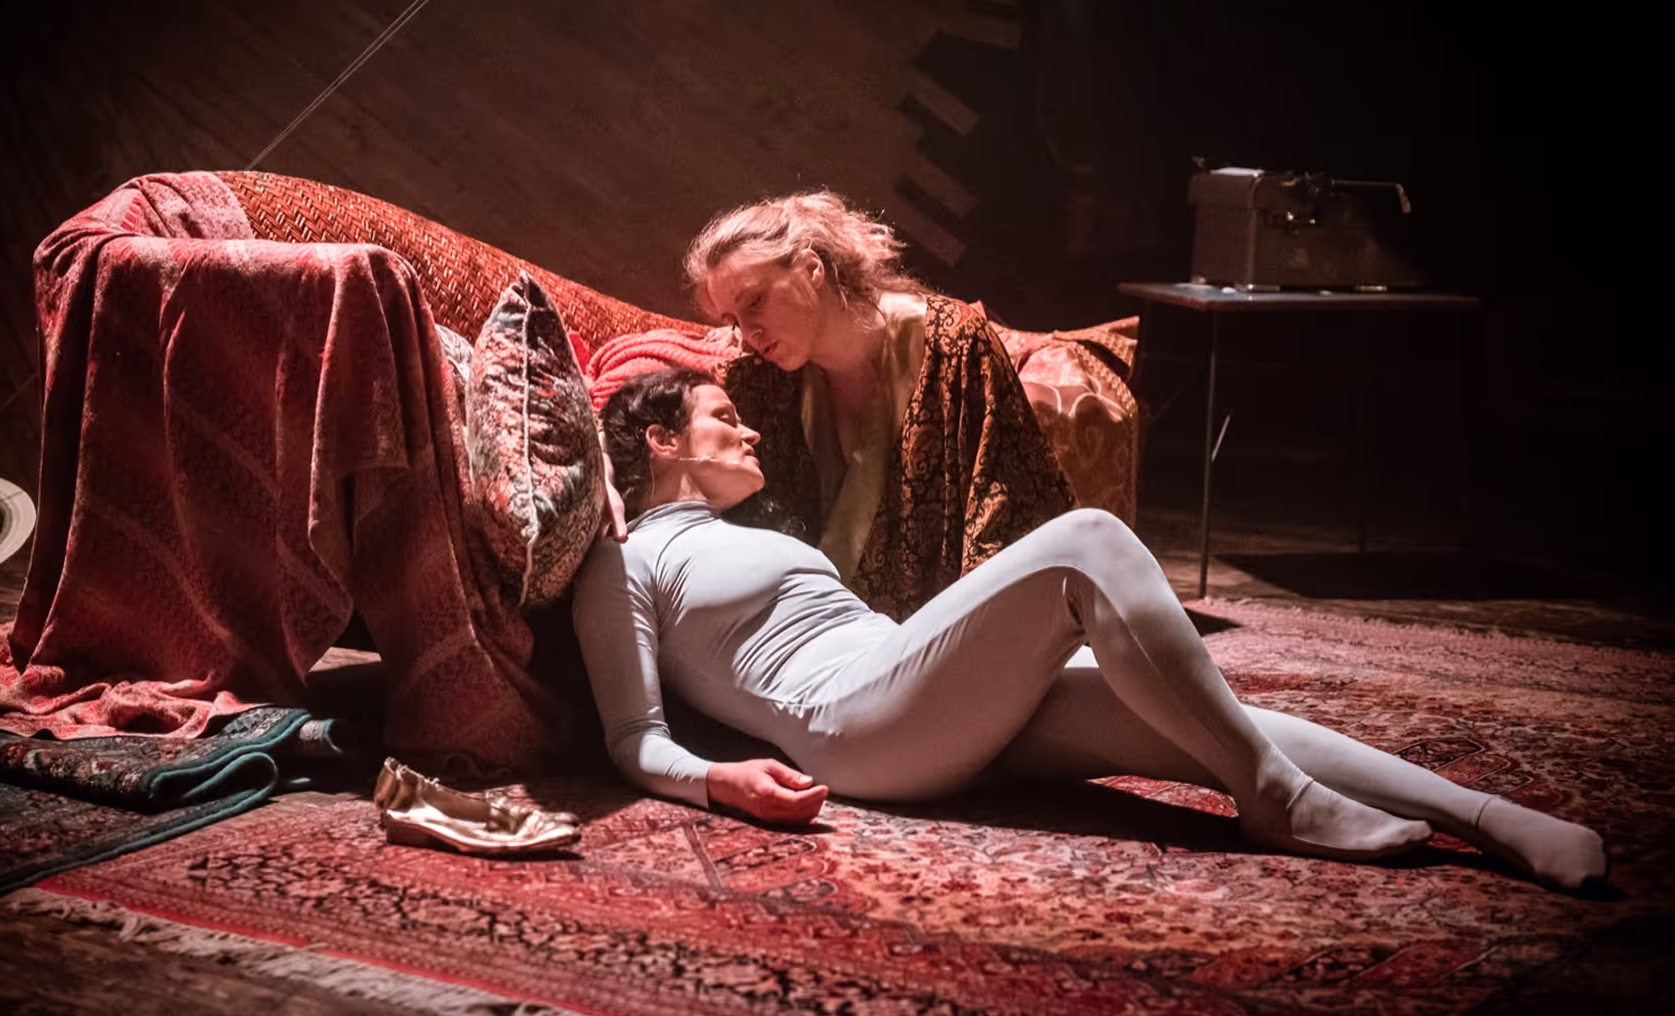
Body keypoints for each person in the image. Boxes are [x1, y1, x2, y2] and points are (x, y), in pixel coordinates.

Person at [572, 368, 1608, 893]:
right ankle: (1278, 801)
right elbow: (633, 737)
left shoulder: (743, 533)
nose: (749, 428)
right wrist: (723, 783)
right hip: (854, 729)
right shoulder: (625, 559)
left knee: (1199, 713)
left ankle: (1490, 820)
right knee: (1086, 540)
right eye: (723, 416)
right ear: (660, 439)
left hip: (918, 701)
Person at [684, 190, 1073, 620]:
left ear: (811, 268)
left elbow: (1007, 511)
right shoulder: (759, 382)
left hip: (954, 625)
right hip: (813, 631)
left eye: (755, 302)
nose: (747, 334)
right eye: (733, 321)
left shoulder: (953, 343)